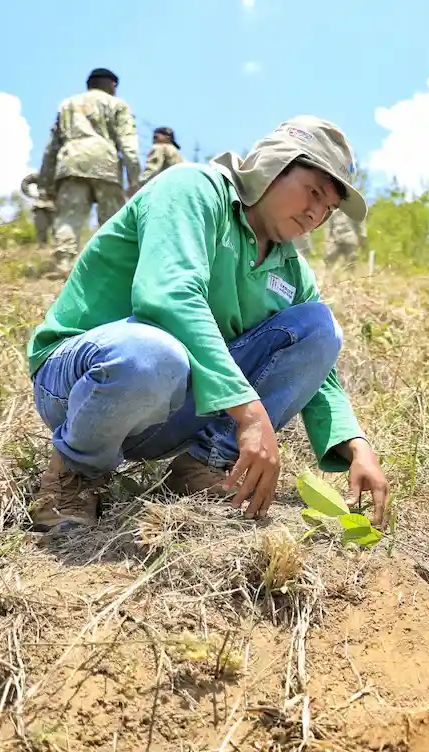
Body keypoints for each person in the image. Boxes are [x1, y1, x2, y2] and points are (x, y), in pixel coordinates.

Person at [24, 116, 390, 534]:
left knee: (318, 326)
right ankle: (75, 473)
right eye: (312, 192)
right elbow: (168, 296)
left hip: (171, 400)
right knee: (150, 353)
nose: (315, 213)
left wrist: (356, 445)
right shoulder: (193, 189)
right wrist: (250, 414)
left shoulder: (291, 269)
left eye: (327, 208)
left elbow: (317, 370)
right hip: (83, 382)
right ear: (273, 166)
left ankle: (204, 464)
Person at [39, 67, 140, 277]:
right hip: (105, 162)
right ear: (111, 85)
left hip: (71, 161)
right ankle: (109, 268)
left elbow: (51, 147)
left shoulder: (67, 104)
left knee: (68, 217)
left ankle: (64, 263)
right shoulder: (117, 105)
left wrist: (45, 183)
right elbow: (128, 143)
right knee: (111, 220)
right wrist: (134, 179)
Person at [20, 171, 55, 246]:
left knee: (58, 230)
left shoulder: (60, 176)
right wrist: (30, 194)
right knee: (41, 227)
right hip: (41, 205)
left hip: (56, 206)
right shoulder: (41, 176)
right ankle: (42, 247)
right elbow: (25, 182)